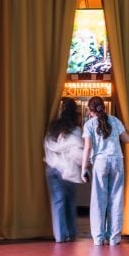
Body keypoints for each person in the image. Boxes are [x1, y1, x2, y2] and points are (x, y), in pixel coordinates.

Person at [80, 97, 129, 245]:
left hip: (100, 162)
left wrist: (84, 168)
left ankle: (98, 238)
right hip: (117, 161)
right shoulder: (115, 121)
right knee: (116, 199)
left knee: (98, 200)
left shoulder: (89, 124)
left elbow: (87, 148)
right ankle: (114, 238)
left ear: (90, 111)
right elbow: (126, 139)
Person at [43, 97, 85, 242]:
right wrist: (85, 164)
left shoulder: (53, 127)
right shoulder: (75, 130)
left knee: (58, 202)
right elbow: (77, 152)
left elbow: (47, 145)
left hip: (52, 168)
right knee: (70, 202)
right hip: (67, 170)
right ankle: (71, 233)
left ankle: (60, 236)